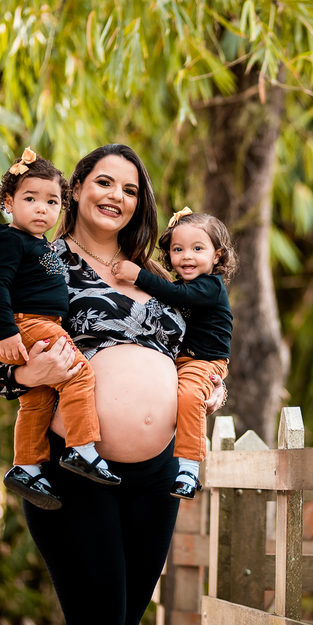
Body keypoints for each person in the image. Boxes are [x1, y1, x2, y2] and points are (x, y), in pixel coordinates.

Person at [0, 144, 224, 625]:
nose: (117, 197)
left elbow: (199, 349)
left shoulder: (158, 275)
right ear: (77, 188)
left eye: (130, 190)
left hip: (156, 473)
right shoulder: (40, 257)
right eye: (105, 183)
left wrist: (211, 385)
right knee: (98, 623)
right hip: (75, 468)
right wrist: (28, 377)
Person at [0, 147, 120, 511]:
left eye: (51, 201)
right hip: (25, 323)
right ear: (9, 202)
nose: (42, 208)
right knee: (78, 375)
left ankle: (26, 465)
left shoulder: (41, 245)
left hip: (38, 325)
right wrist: (8, 330)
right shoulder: (8, 240)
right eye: (31, 199)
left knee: (39, 400)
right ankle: (83, 448)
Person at [113, 207, 234, 499]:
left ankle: (190, 468)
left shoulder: (207, 286)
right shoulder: (51, 259)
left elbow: (177, 296)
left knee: (191, 396)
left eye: (197, 248)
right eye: (178, 249)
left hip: (202, 361)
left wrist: (139, 275)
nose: (187, 256)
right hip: (183, 362)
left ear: (217, 255)